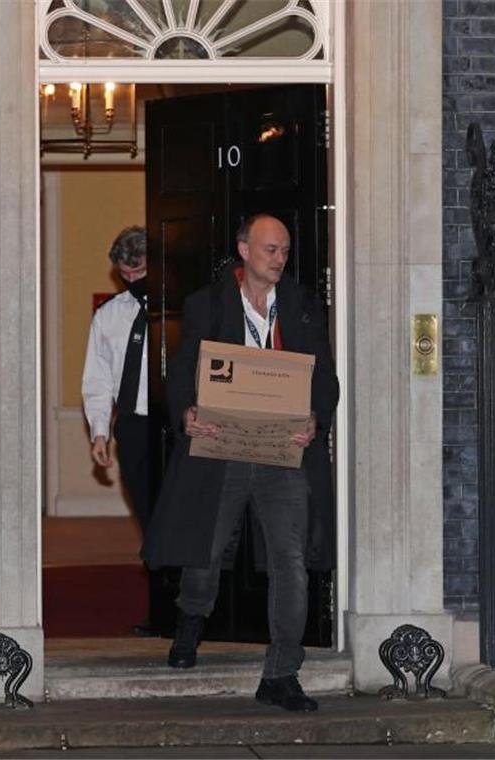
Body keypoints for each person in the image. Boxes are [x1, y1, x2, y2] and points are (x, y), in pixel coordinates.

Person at [141, 214, 339, 712]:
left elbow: (324, 375)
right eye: (271, 250)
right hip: (221, 449)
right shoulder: (206, 304)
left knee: (290, 563)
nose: (280, 259)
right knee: (205, 554)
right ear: (245, 249)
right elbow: (185, 368)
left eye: (286, 251)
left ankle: (281, 674)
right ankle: (190, 622)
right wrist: (186, 411)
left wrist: (316, 416)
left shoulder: (302, 306)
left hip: (282, 454)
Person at [81, 225, 152, 532]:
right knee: (144, 506)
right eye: (126, 274)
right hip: (133, 424)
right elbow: (98, 379)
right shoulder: (107, 315)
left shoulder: (184, 308)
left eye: (140, 271)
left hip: (178, 422)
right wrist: (100, 432)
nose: (134, 280)